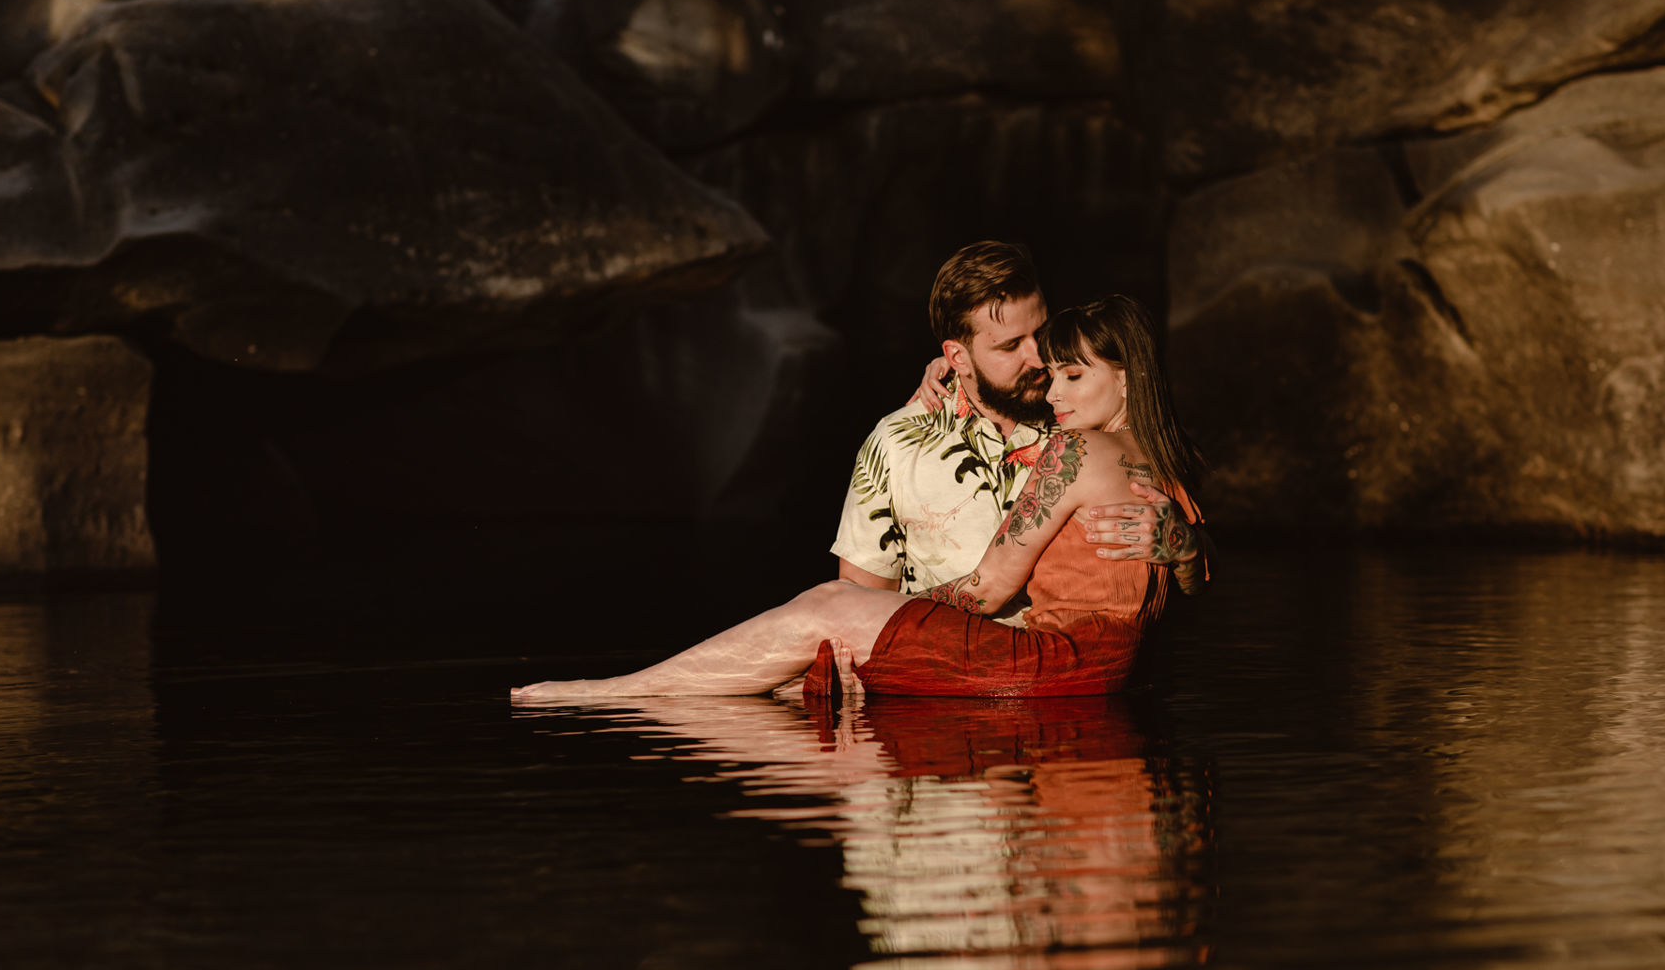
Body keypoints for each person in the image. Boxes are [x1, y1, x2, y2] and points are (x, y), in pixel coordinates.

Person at [512, 292, 1204, 700]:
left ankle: (613, 694)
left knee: (829, 605)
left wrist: (877, 614)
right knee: (804, 666)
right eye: (1051, 375)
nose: (1052, 393)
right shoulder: (1167, 460)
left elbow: (991, 587)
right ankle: (668, 687)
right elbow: (1189, 584)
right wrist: (1186, 548)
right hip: (1110, 674)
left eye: (1073, 377)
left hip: (1051, 668)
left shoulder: (1078, 450)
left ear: (1125, 377)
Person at [833, 241, 1202, 609]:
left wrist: (1186, 549)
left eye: (1040, 333)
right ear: (957, 357)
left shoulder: (1088, 413)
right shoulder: (897, 444)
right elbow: (858, 603)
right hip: (934, 643)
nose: (1038, 357)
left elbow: (1197, 582)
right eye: (1010, 346)